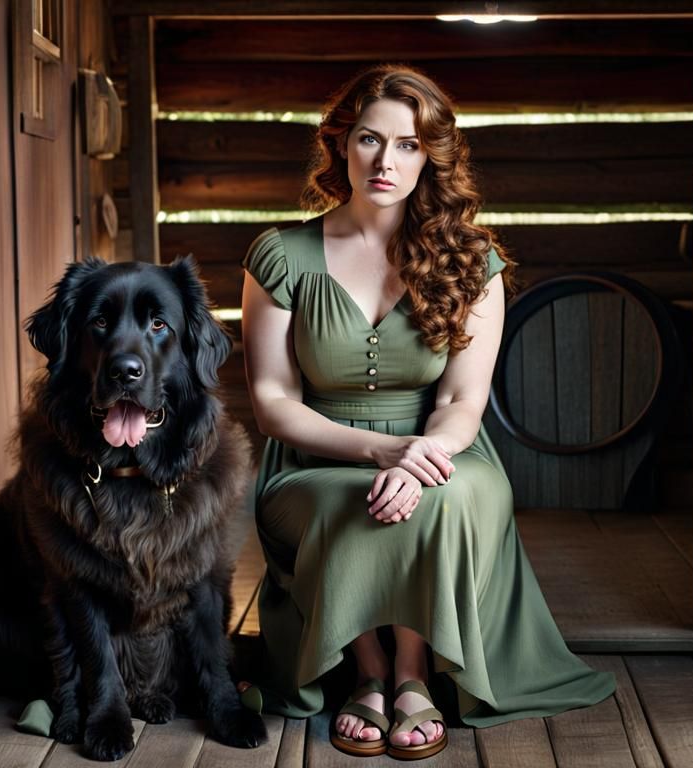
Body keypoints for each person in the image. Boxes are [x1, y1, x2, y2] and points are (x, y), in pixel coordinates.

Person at [239, 64, 614, 760]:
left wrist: (420, 460)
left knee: (437, 501)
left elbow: (462, 401)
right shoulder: (279, 254)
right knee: (345, 502)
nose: (387, 161)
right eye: (370, 140)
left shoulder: (474, 261)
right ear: (340, 145)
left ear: (431, 156)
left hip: (447, 451)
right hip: (315, 456)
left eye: (408, 144)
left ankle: (412, 675)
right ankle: (368, 674)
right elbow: (271, 403)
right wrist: (382, 452)